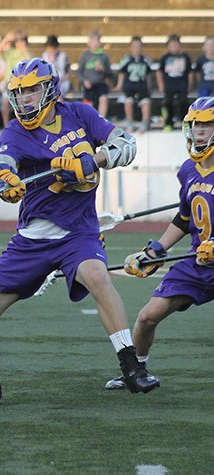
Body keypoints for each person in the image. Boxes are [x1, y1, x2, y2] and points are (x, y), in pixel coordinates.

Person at [0, 58, 159, 406]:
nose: (25, 99)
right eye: (19, 92)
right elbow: (2, 162)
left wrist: (95, 160)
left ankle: (132, 367)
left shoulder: (80, 114)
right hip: (33, 239)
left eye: (32, 90)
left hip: (79, 233)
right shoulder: (16, 130)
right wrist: (5, 180)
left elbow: (126, 143)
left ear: (51, 89)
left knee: (97, 277)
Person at [105, 96, 214, 390]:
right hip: (199, 262)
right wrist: (155, 251)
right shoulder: (189, 170)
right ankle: (137, 371)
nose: (199, 132)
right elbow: (184, 218)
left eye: (207, 124)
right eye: (195, 125)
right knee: (147, 317)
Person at [114, 36, 152, 133]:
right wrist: (119, 85)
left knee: (145, 102)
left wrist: (149, 86)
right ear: (130, 48)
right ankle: (130, 122)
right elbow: (122, 72)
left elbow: (148, 75)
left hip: (142, 86)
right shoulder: (126, 59)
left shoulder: (146, 60)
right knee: (128, 102)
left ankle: (144, 123)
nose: (137, 49)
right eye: (134, 47)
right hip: (130, 86)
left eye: (139, 46)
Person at [156, 34, 192, 132]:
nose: (174, 48)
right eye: (172, 46)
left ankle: (184, 122)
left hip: (182, 85)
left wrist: (189, 84)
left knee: (183, 102)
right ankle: (168, 122)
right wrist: (160, 85)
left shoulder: (185, 57)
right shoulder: (165, 58)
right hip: (169, 85)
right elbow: (159, 72)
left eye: (176, 45)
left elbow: (189, 72)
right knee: (167, 102)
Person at [77, 30, 112, 118]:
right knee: (88, 102)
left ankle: (102, 121)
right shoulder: (84, 55)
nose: (95, 43)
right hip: (89, 84)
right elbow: (79, 72)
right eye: (93, 41)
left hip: (100, 83)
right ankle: (91, 121)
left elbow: (109, 73)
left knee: (103, 98)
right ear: (89, 42)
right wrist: (84, 81)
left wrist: (102, 70)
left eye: (97, 41)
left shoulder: (103, 56)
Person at [41, 35, 70, 99]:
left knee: (59, 90)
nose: (51, 51)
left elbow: (67, 73)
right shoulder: (44, 56)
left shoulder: (63, 56)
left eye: (53, 49)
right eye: (49, 48)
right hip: (48, 81)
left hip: (61, 82)